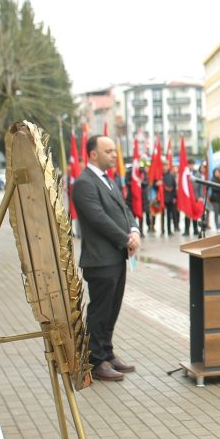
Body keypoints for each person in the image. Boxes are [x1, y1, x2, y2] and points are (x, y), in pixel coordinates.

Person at [71, 136, 141, 382]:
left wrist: (134, 231)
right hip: (100, 259)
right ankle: (95, 360)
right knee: (100, 311)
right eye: (108, 151)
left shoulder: (107, 180)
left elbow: (125, 210)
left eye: (114, 150)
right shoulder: (84, 183)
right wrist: (125, 239)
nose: (114, 155)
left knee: (112, 309)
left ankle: (107, 353)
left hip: (116, 257)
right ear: (92, 154)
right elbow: (98, 218)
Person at [162, 161, 178, 235]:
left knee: (169, 215)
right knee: (162, 215)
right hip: (162, 198)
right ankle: (162, 230)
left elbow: (174, 187)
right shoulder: (160, 175)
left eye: (166, 165)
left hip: (170, 198)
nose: (165, 167)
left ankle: (169, 230)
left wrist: (174, 197)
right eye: (164, 165)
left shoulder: (171, 176)